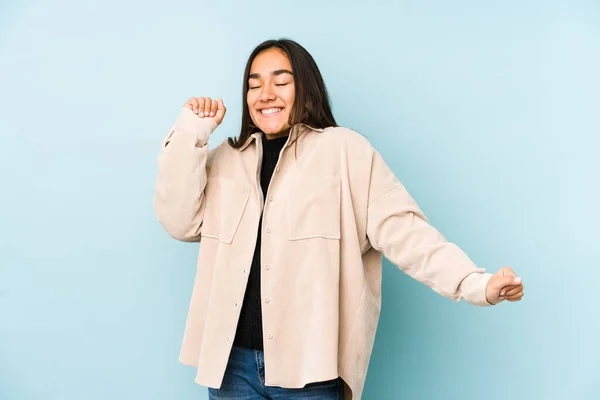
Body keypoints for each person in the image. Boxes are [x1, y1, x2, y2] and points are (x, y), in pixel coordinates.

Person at [153, 38, 524, 400]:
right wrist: (191, 133)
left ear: (308, 92)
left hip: (310, 369)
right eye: (254, 85)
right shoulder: (224, 160)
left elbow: (406, 232)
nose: (266, 93)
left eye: (281, 82)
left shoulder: (346, 152)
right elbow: (180, 221)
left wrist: (476, 284)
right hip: (229, 368)